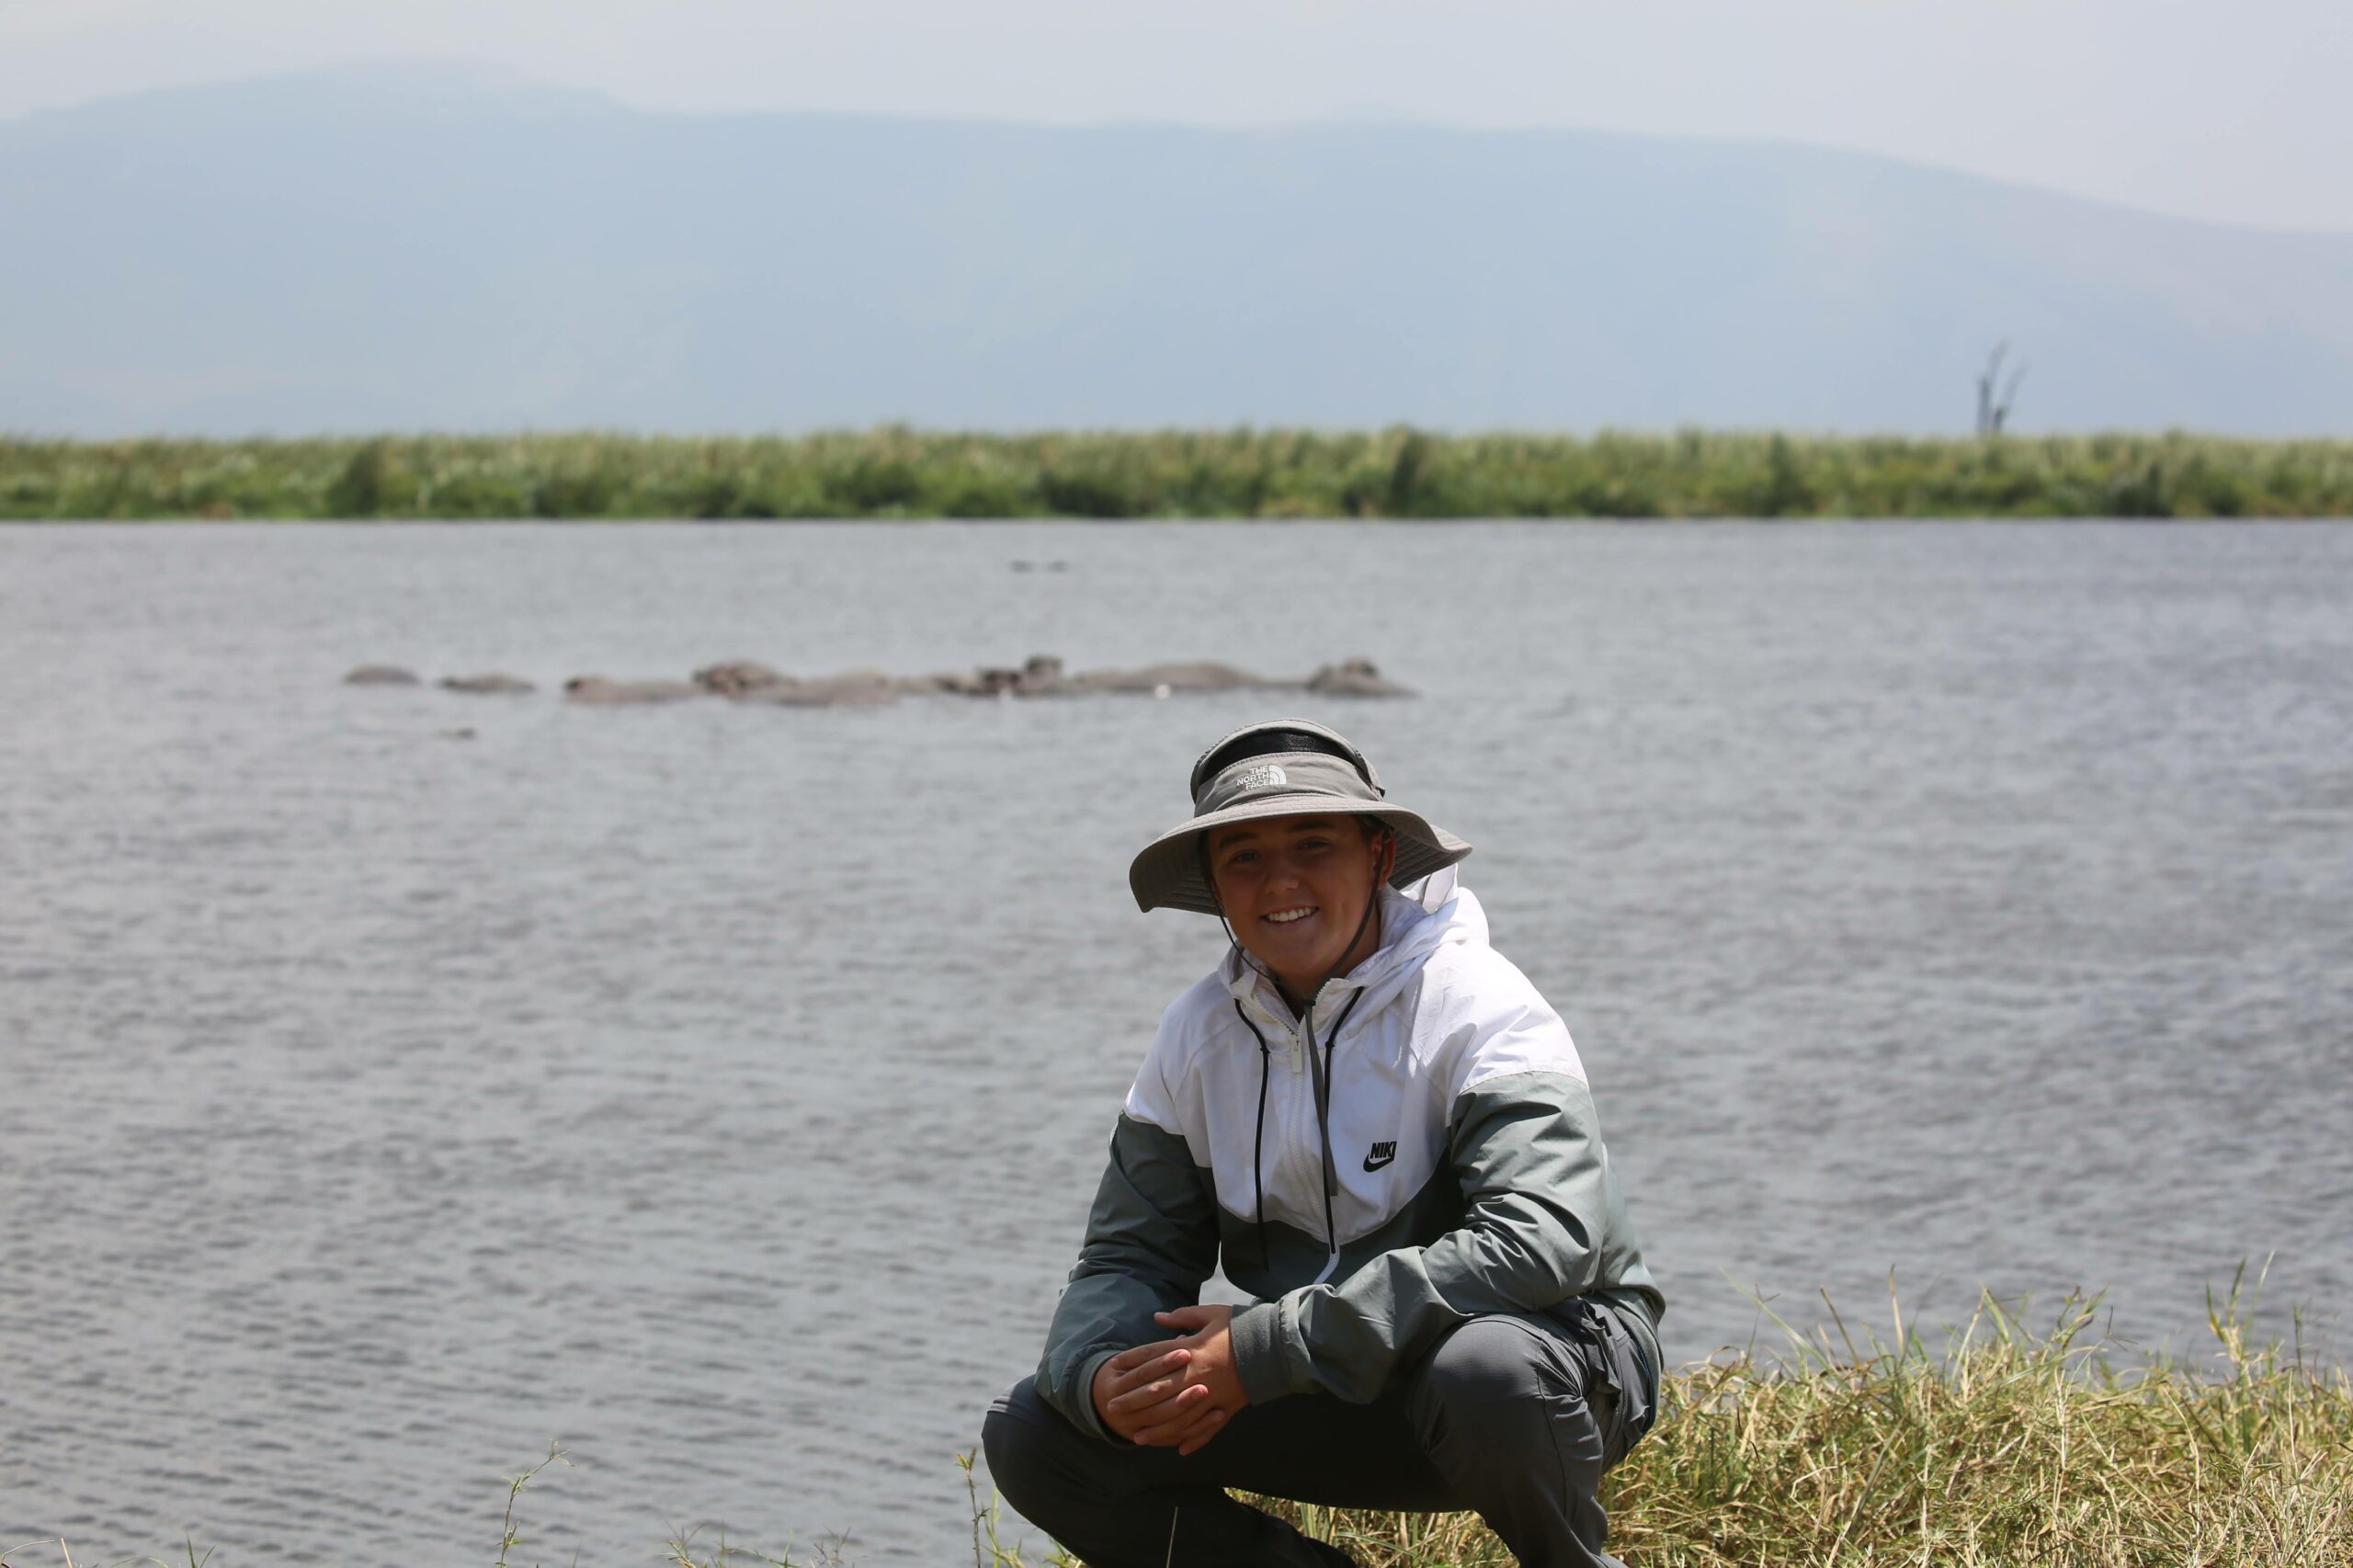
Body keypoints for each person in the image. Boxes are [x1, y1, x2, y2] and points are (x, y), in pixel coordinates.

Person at [982, 720, 1664, 1568]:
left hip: (1549, 1369)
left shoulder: (1480, 1002)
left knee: (1485, 1369)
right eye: (1245, 858)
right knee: (1036, 1433)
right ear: (1213, 885)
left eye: (1314, 844)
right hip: (1335, 1379)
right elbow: (1127, 1257)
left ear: (1379, 855)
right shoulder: (1195, 1036)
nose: (1282, 883)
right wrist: (1096, 1378)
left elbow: (1541, 1245)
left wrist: (1266, 1348)